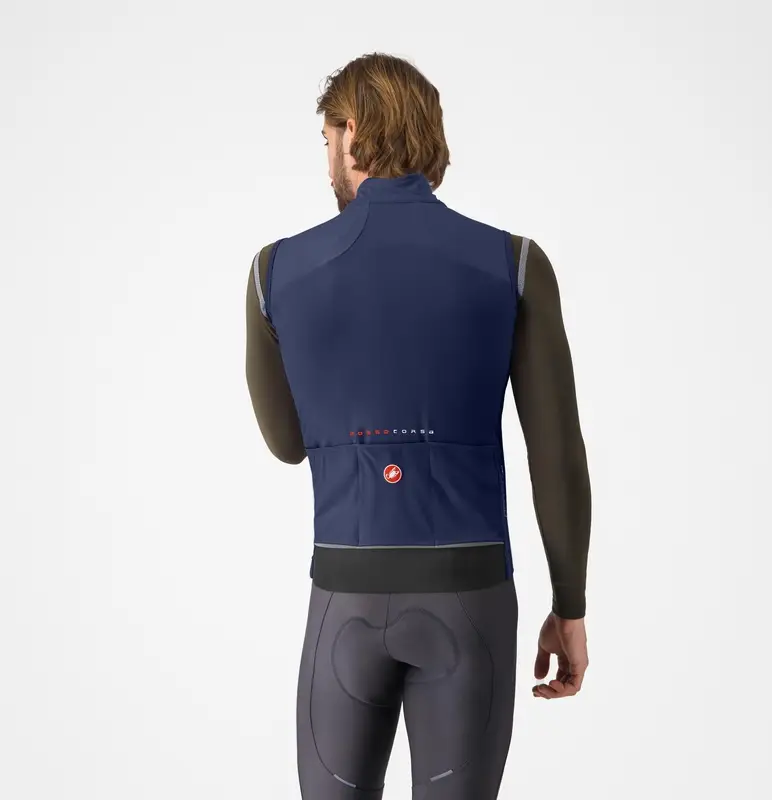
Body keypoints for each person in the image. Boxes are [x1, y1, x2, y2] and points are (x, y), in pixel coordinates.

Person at [245, 52, 591, 800]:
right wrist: (570, 606)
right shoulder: (515, 264)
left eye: (326, 142)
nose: (327, 165)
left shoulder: (275, 271)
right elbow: (556, 454)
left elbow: (286, 443)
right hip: (471, 599)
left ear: (353, 132)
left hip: (343, 598)